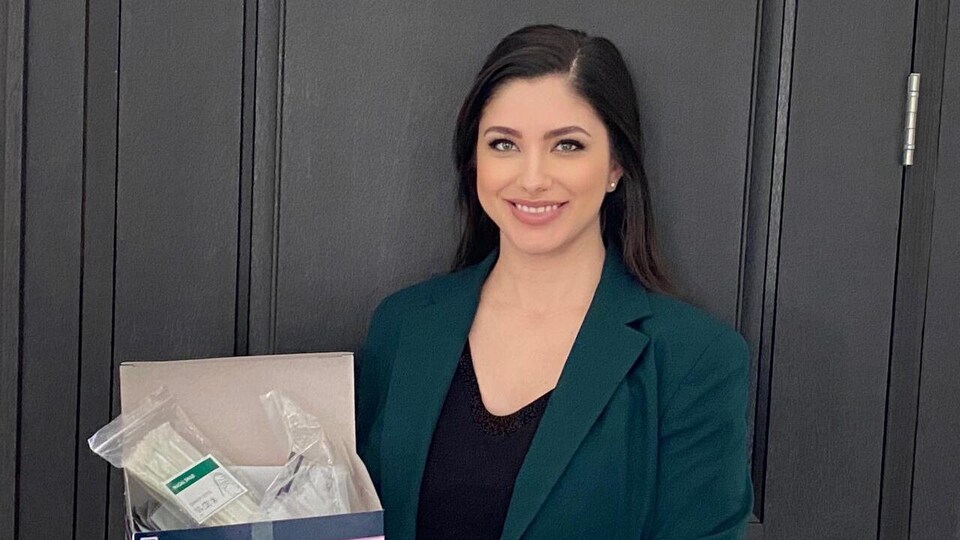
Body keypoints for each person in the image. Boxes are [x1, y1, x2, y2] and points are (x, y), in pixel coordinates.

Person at [355, 24, 752, 539]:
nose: (533, 177)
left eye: (567, 145)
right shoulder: (403, 326)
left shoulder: (695, 359)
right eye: (504, 144)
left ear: (616, 166)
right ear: (473, 159)